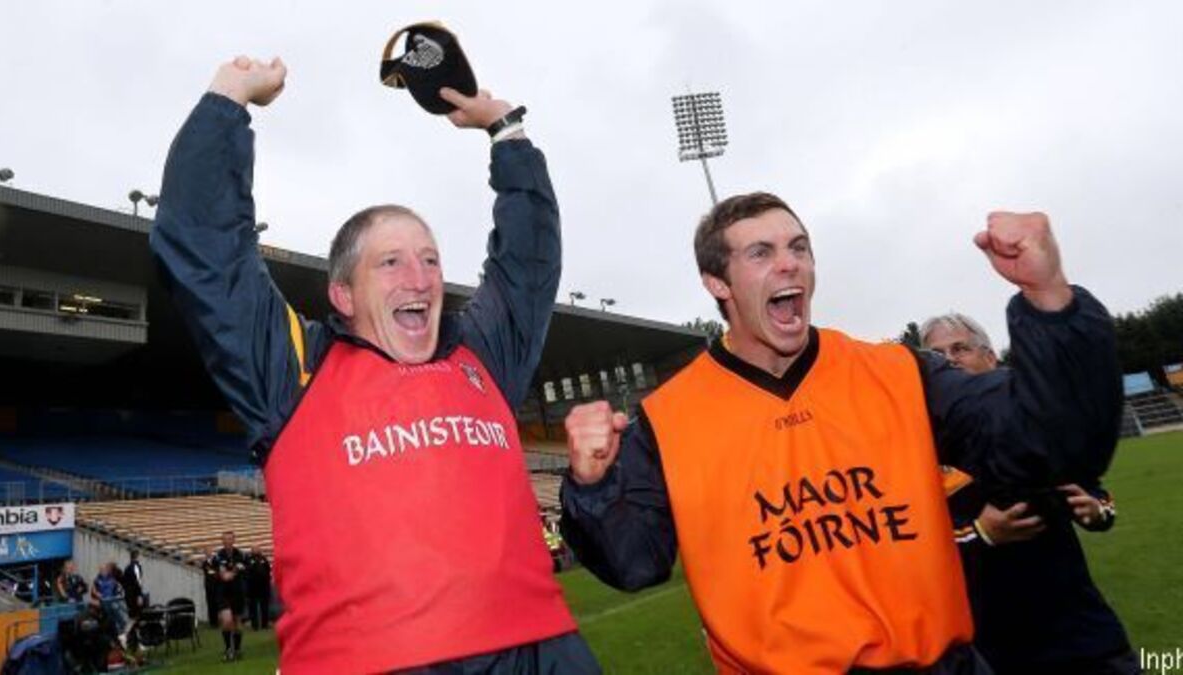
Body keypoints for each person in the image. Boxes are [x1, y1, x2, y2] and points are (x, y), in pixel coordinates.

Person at [149, 56, 594, 674]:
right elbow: (205, 251)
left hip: (538, 652)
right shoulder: (293, 372)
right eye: (391, 262)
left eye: (430, 260)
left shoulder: (482, 356)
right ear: (343, 295)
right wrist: (229, 99)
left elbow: (528, 266)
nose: (420, 278)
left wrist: (507, 133)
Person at [560, 193, 1122, 674]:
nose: (790, 264)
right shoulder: (669, 418)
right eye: (761, 252)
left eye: (799, 247)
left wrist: (1050, 300)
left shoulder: (899, 373)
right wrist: (592, 486)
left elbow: (1048, 445)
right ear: (717, 282)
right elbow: (634, 562)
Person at [921, 312, 1138, 675]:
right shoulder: (922, 447)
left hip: (1078, 625)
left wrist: (1096, 511)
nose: (950, 360)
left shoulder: (1033, 428)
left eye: (960, 348)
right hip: (990, 639)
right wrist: (982, 532)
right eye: (937, 355)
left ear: (991, 357)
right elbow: (916, 544)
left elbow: (1097, 495)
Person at [212, 531, 247, 662]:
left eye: (229, 539)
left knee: (237, 621)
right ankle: (228, 649)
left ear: (233, 540)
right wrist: (229, 573)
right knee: (226, 621)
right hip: (223, 593)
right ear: (222, 541)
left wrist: (232, 573)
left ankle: (237, 649)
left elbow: (243, 569)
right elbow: (222, 574)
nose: (227, 541)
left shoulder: (241, 554)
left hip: (238, 592)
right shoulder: (218, 556)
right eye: (225, 539)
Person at [91, 562, 129, 637]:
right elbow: (93, 592)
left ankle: (123, 626)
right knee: (113, 609)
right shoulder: (97, 580)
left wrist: (119, 593)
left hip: (112, 599)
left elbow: (118, 589)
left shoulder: (112, 579)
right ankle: (117, 629)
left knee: (120, 607)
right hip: (104, 601)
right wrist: (97, 594)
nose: (103, 571)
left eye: (104, 569)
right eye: (101, 570)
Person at [243, 545, 272, 630]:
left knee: (264, 606)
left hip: (264, 586)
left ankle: (265, 624)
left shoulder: (264, 559)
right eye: (254, 549)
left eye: (257, 549)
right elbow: (246, 571)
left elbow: (268, 570)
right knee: (253, 607)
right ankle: (254, 625)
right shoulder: (248, 559)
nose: (256, 550)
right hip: (252, 587)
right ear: (251, 550)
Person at [122, 549, 146, 619]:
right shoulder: (136, 567)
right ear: (137, 557)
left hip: (128, 594)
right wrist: (139, 595)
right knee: (137, 616)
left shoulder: (127, 568)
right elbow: (138, 581)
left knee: (131, 615)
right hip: (134, 595)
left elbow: (124, 582)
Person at [200, 546, 219, 628]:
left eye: (209, 551)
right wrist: (212, 571)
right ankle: (212, 622)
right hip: (208, 585)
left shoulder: (216, 561)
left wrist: (212, 571)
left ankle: (217, 622)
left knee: (216, 603)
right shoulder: (204, 563)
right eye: (207, 551)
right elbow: (208, 571)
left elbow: (216, 571)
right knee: (210, 603)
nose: (208, 553)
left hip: (216, 585)